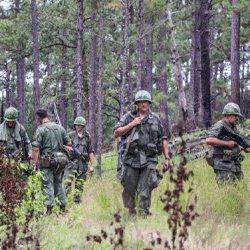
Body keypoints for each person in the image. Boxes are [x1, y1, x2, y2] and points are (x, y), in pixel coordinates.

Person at [114, 90, 170, 216]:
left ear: (149, 103)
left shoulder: (155, 119)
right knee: (129, 188)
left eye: (145, 102)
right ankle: (131, 212)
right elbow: (116, 132)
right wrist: (131, 124)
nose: (143, 104)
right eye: (140, 102)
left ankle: (143, 213)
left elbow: (163, 138)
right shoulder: (129, 117)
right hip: (131, 158)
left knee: (145, 188)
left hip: (149, 159)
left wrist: (167, 158)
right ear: (137, 104)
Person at [32, 108, 72, 215]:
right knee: (58, 183)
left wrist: (34, 164)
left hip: (47, 162)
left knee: (47, 183)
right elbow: (69, 143)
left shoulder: (40, 130)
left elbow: (36, 149)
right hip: (59, 160)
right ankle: (63, 207)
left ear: (38, 118)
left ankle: (49, 210)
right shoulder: (60, 128)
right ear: (47, 116)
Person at [206, 102, 250, 184]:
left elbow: (237, 143)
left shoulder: (233, 128)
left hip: (235, 165)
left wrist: (242, 148)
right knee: (226, 190)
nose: (237, 118)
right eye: (235, 115)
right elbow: (209, 140)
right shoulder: (220, 126)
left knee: (239, 190)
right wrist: (227, 143)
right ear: (227, 115)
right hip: (224, 166)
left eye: (238, 116)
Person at [64, 116, 94, 203]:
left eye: (79, 125)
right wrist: (68, 148)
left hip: (82, 165)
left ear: (83, 126)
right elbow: (62, 143)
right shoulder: (71, 135)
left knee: (80, 185)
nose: (77, 126)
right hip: (71, 163)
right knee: (67, 183)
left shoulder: (87, 137)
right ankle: (66, 201)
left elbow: (91, 151)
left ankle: (77, 202)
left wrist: (92, 165)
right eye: (76, 125)